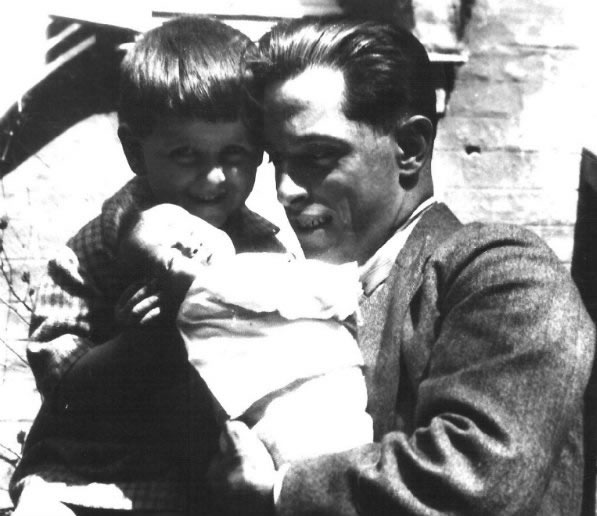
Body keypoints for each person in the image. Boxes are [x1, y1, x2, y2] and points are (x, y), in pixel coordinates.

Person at [205, 17, 597, 516]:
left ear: (409, 149)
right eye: (277, 162)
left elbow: (479, 475)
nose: (285, 190)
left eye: (318, 156)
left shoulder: (502, 271)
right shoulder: (319, 290)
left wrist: (280, 491)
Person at [10, 15, 286, 516]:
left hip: (203, 487)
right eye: (185, 154)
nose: (215, 177)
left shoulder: (261, 252)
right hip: (85, 482)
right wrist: (131, 345)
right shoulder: (93, 252)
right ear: (136, 151)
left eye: (235, 154)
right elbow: (61, 388)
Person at [119, 202, 372, 468]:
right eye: (172, 256)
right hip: (303, 403)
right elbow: (310, 291)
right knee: (345, 474)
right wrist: (347, 285)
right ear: (160, 288)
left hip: (279, 418)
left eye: (188, 228)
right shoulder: (217, 281)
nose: (190, 245)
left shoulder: (198, 307)